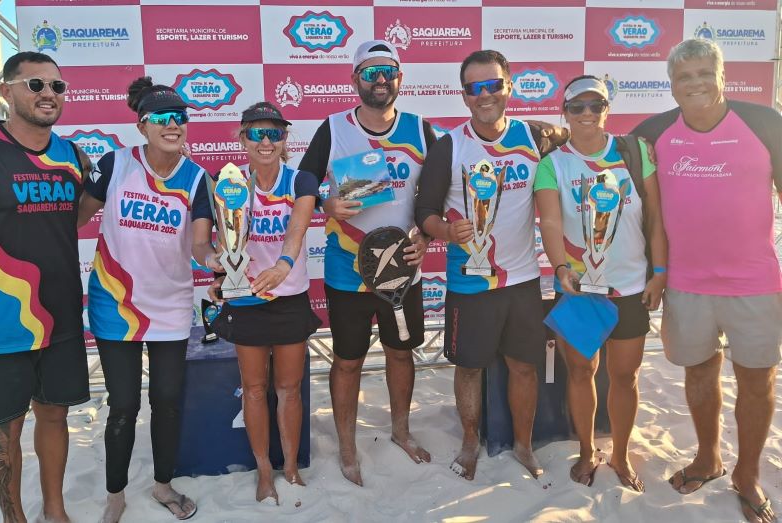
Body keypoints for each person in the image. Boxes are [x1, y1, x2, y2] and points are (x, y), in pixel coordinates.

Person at [632, 38, 782, 523]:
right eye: (683, 77)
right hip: (687, 283)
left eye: (703, 73)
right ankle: (708, 457)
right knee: (698, 372)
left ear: (722, 75)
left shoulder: (764, 123)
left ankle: (748, 474)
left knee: (757, 383)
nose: (694, 84)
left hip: (755, 283)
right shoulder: (653, 133)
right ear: (671, 85)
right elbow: (624, 195)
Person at [415, 49, 568, 481]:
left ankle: (523, 445)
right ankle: (469, 442)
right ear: (464, 96)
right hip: (470, 283)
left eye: (492, 85)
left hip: (522, 281)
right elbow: (424, 210)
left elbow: (581, 154)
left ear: (508, 87)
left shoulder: (536, 137)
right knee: (468, 368)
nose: (484, 95)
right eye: (474, 88)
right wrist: (444, 233)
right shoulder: (450, 147)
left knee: (524, 366)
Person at [78, 77, 216, 522]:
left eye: (179, 117)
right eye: (161, 118)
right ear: (142, 125)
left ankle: (162, 485)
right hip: (114, 304)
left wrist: (225, 262)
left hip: (170, 305)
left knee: (168, 399)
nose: (172, 125)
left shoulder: (198, 178)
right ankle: (115, 494)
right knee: (123, 405)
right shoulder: (115, 163)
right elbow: (73, 217)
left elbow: (199, 247)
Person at [297, 40, 435, 486]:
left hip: (401, 268)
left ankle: (400, 432)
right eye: (370, 72)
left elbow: (438, 194)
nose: (380, 80)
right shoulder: (333, 127)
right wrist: (326, 203)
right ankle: (348, 447)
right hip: (347, 269)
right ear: (354, 79)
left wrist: (427, 235)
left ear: (400, 78)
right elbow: (302, 180)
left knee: (401, 353)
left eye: (388, 71)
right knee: (348, 360)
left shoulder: (419, 128)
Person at [534, 75, 667, 491]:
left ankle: (622, 454)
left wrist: (659, 273)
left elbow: (656, 219)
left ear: (608, 108)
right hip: (579, 288)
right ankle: (588, 451)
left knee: (625, 377)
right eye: (578, 107)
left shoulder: (635, 151)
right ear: (565, 113)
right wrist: (559, 268)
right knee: (580, 371)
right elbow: (550, 221)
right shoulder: (552, 164)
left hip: (629, 287)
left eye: (596, 105)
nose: (587, 114)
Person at [0, 51, 90, 523]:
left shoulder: (73, 155)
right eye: (35, 85)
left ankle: (55, 510)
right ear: (5, 92)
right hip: (3, 317)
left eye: (57, 86)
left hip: (61, 312)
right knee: (4, 430)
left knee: (55, 414)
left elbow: (77, 218)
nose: (48, 94)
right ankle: (13, 518)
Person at [207, 101, 321, 504]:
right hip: (247, 299)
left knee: (289, 388)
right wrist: (219, 268)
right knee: (254, 389)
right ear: (243, 139)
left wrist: (285, 263)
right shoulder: (227, 184)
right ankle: (264, 471)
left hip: (289, 297)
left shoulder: (301, 180)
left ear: (285, 139)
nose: (267, 141)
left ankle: (290, 466)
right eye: (257, 133)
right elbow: (216, 244)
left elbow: (298, 227)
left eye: (275, 133)